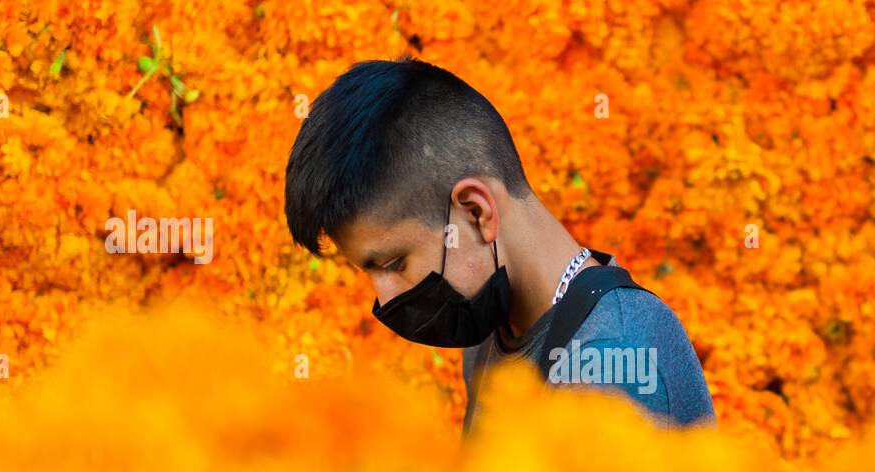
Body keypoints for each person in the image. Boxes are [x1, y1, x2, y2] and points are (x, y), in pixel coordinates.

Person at [284, 56, 715, 434]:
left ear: (476, 212)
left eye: (394, 263)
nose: (384, 298)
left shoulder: (612, 362)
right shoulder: (492, 332)